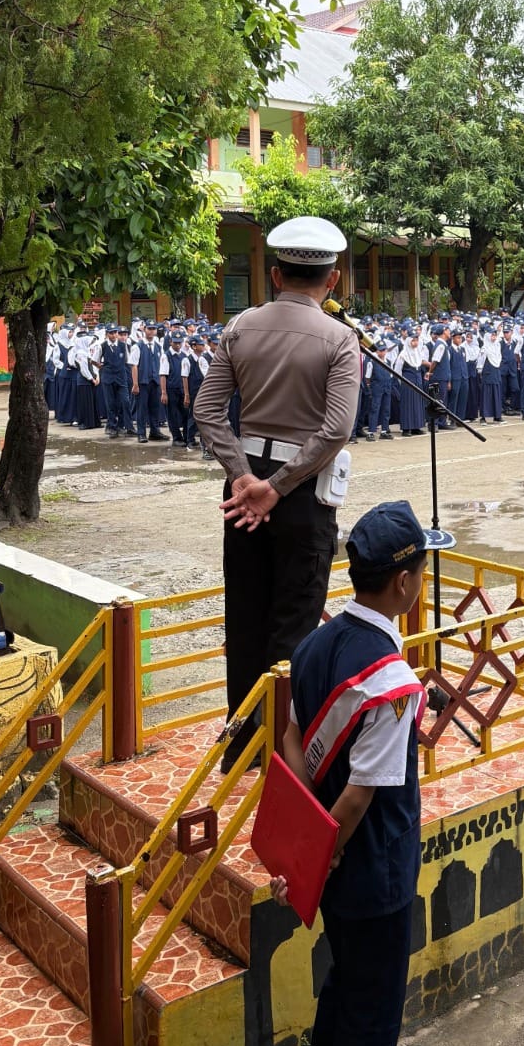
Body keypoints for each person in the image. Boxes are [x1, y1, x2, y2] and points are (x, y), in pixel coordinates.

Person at [276, 499, 453, 1046]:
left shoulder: (314, 643)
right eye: (423, 573)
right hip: (371, 870)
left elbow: (296, 741)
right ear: (404, 582)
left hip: (329, 863)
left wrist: (307, 842)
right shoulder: (392, 683)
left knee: (343, 984)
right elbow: (356, 798)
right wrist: (329, 849)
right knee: (374, 1014)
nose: (423, 584)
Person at [195, 216, 360, 771]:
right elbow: (336, 429)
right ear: (332, 281)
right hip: (300, 491)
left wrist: (243, 477)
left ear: (273, 274)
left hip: (240, 491)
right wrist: (276, 486)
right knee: (293, 624)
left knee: (243, 617)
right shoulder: (340, 338)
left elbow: (207, 410)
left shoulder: (240, 328)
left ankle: (239, 746)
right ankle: (281, 759)